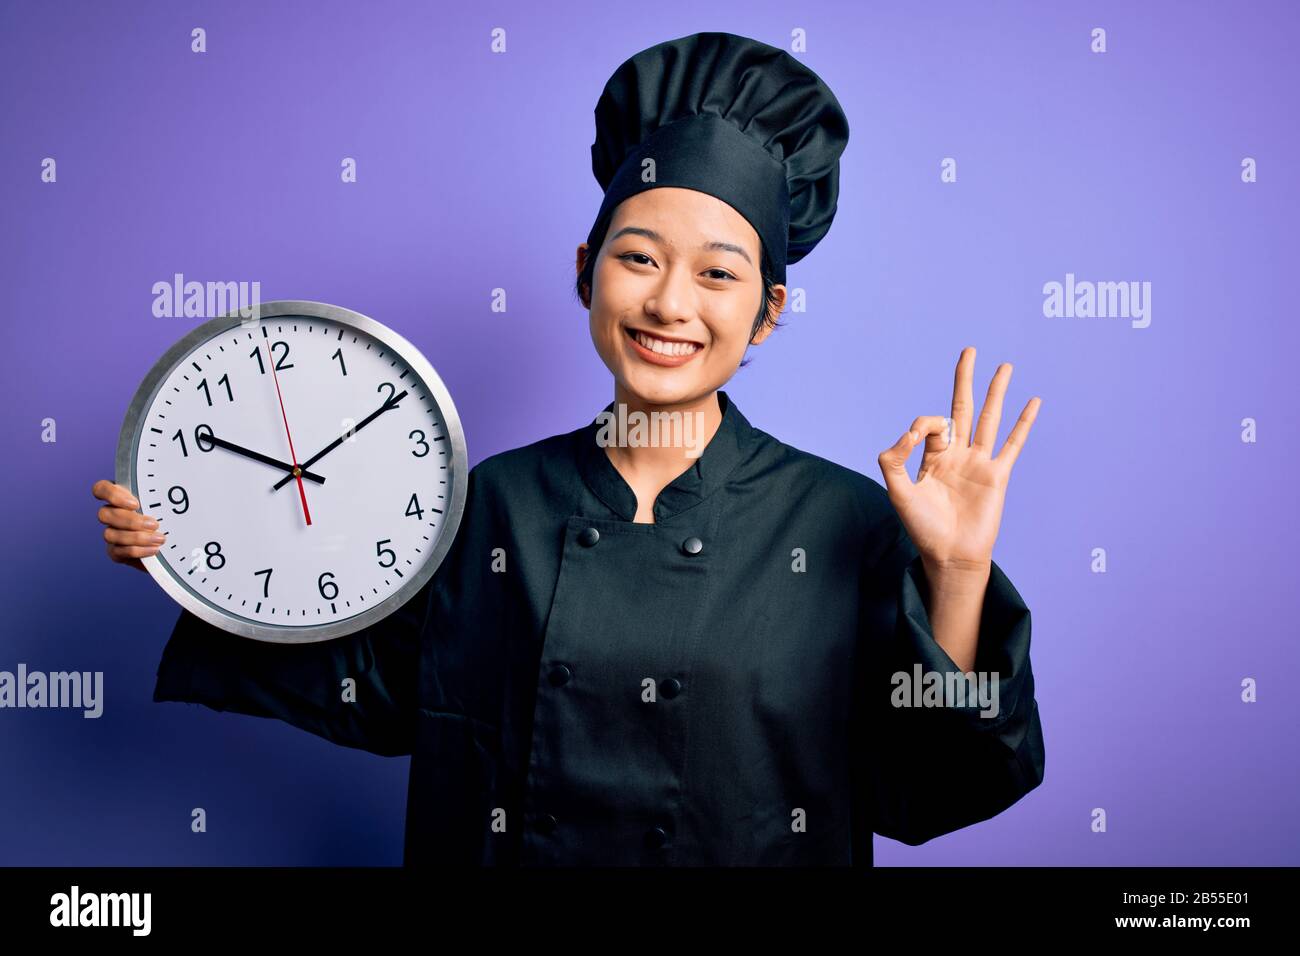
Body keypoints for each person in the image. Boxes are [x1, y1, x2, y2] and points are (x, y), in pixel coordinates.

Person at [91, 31, 1044, 866]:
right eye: (638, 257)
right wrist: (190, 561)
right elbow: (376, 691)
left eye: (719, 273)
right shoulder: (487, 505)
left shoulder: (844, 525)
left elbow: (929, 792)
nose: (671, 303)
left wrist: (957, 572)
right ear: (586, 272)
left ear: (767, 312)